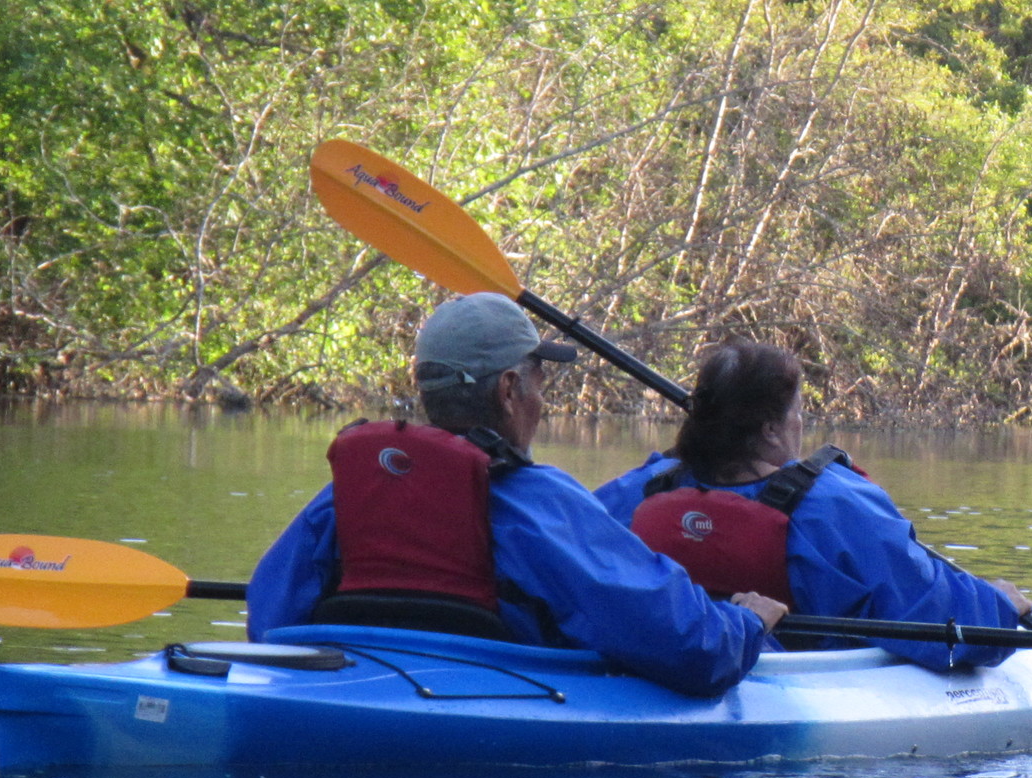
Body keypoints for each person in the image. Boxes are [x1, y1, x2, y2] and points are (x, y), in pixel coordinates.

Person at [247, 292, 786, 697]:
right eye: (539, 381)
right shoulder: (538, 503)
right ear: (509, 389)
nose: (541, 401)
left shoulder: (344, 497)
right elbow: (687, 645)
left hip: (358, 695)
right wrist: (744, 624)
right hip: (500, 711)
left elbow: (270, 621)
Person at [591, 342, 1031, 671]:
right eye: (798, 411)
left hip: (646, 670)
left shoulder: (637, 489)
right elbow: (927, 610)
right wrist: (997, 608)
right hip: (789, 682)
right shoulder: (835, 505)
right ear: (770, 429)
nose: (801, 423)